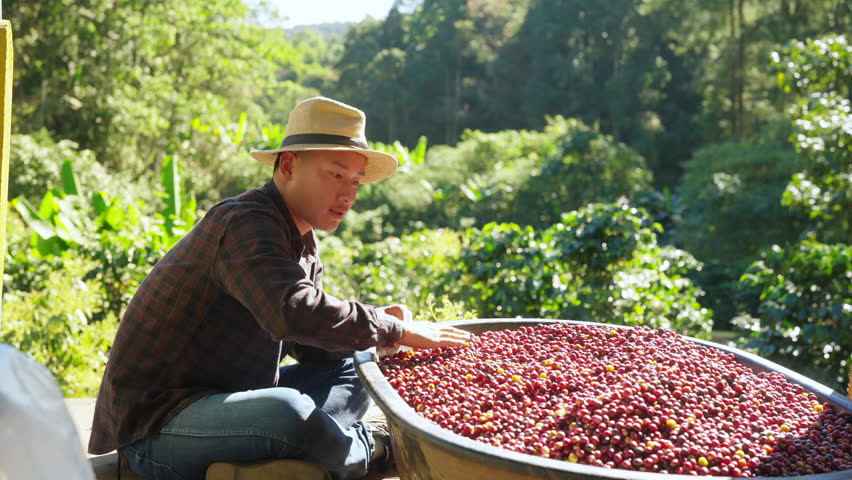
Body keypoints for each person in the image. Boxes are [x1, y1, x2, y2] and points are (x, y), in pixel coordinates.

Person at [88, 96, 471, 480]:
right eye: (336, 175)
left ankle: (290, 457)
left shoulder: (301, 240)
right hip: (161, 426)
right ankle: (372, 446)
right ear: (288, 165)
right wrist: (397, 330)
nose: (349, 194)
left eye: (355, 181)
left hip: (234, 403)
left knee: (361, 366)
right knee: (287, 412)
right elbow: (293, 312)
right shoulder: (245, 222)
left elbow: (309, 344)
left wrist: (378, 331)